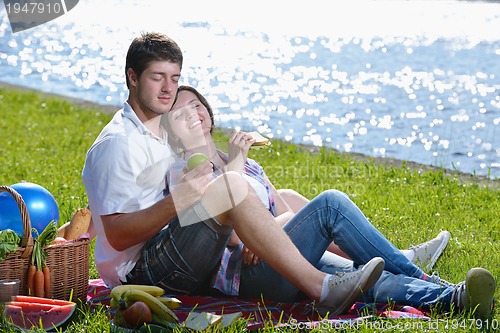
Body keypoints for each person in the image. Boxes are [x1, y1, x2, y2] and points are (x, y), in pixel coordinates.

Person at [82, 31, 385, 317]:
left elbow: (115, 202)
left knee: (253, 194)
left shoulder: (157, 130)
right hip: (143, 273)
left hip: (177, 250)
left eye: (174, 79)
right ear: (132, 78)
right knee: (229, 186)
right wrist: (179, 201)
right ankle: (321, 289)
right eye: (157, 78)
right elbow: (119, 236)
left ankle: (404, 275)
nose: (167, 89)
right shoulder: (119, 143)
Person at [164, 84, 496, 320]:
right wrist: (260, 224)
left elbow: (286, 214)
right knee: (330, 205)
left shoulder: (249, 165)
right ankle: (422, 275)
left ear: (208, 112)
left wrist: (270, 231)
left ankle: (454, 298)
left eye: (195, 104)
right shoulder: (185, 173)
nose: (192, 113)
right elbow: (233, 236)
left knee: (365, 276)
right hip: (250, 278)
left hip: (288, 261)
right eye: (179, 113)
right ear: (173, 133)